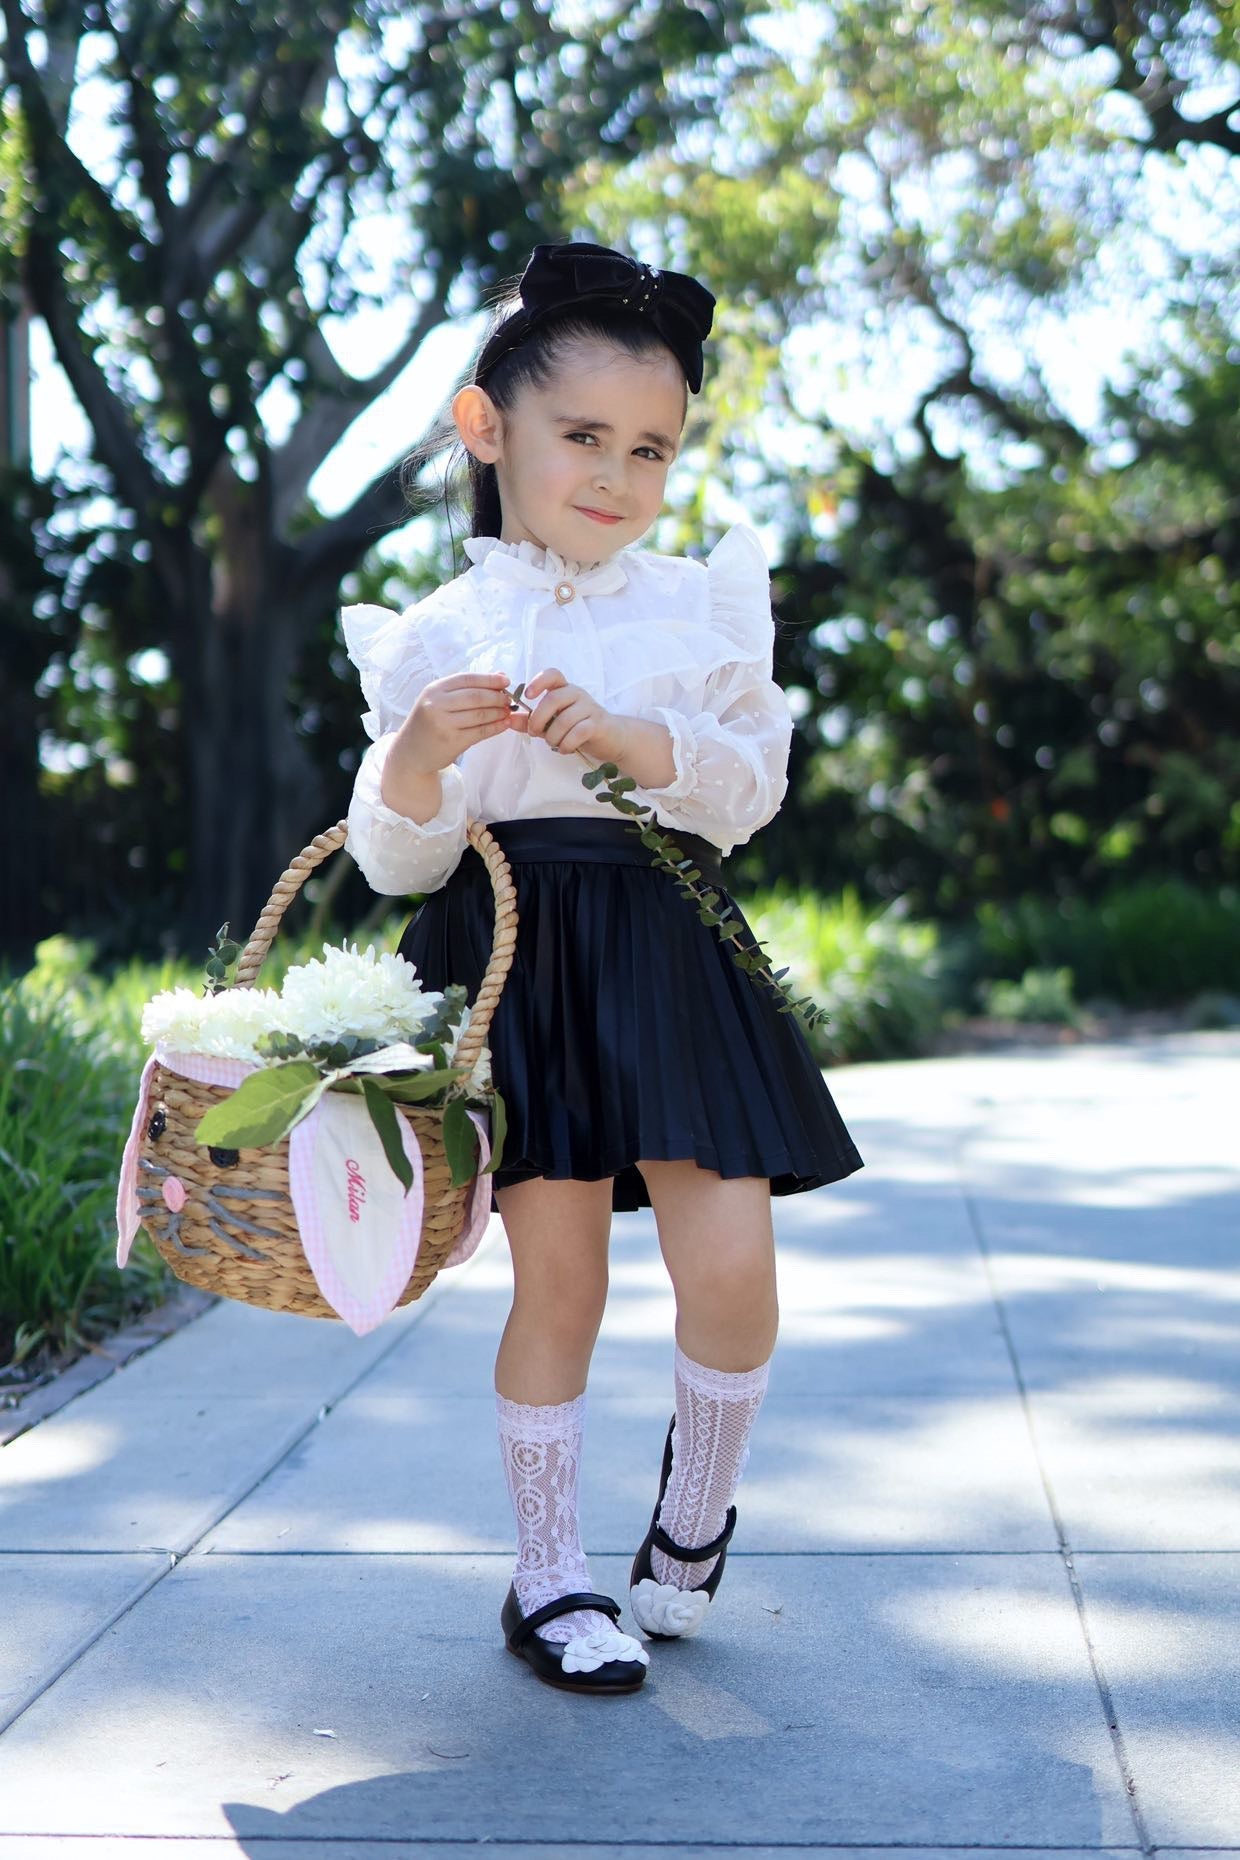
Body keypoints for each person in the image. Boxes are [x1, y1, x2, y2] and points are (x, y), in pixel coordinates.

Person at [341, 240, 864, 1696]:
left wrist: (633, 740)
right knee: (559, 1281)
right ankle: (549, 1578)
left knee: (734, 1266)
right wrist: (422, 751)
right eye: (583, 436)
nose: (617, 476)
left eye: (650, 449)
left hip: (669, 940)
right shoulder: (434, 637)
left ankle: (692, 1523)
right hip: (520, 956)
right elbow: (399, 859)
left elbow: (747, 790)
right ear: (485, 426)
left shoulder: (695, 608)